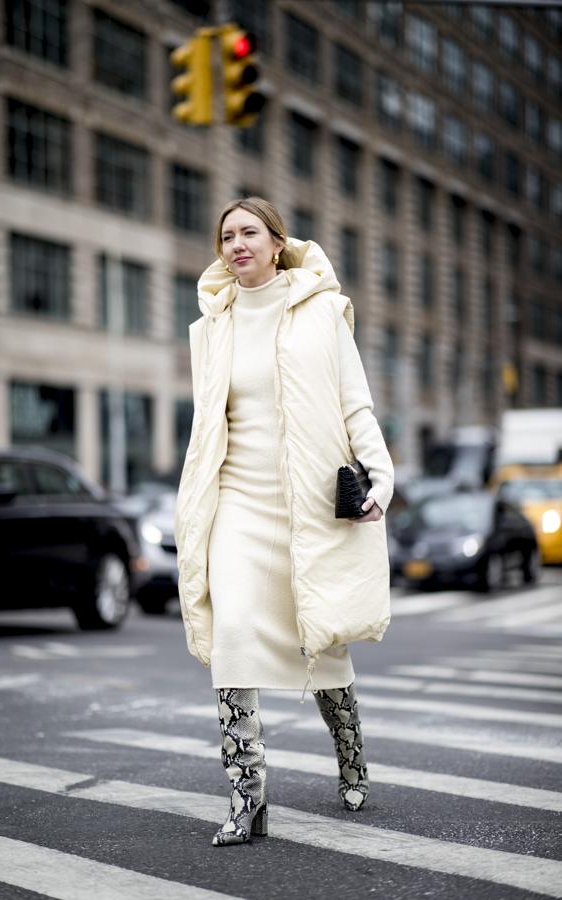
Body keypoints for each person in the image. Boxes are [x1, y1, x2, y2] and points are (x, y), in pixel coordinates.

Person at [175, 197, 394, 847]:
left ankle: (351, 760)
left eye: (249, 233)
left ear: (278, 243)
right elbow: (209, 424)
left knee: (324, 645)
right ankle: (248, 798)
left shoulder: (323, 312)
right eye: (226, 237)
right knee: (233, 636)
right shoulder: (209, 327)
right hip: (238, 502)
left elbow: (355, 405)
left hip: (308, 501)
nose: (236, 244)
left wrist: (379, 479)